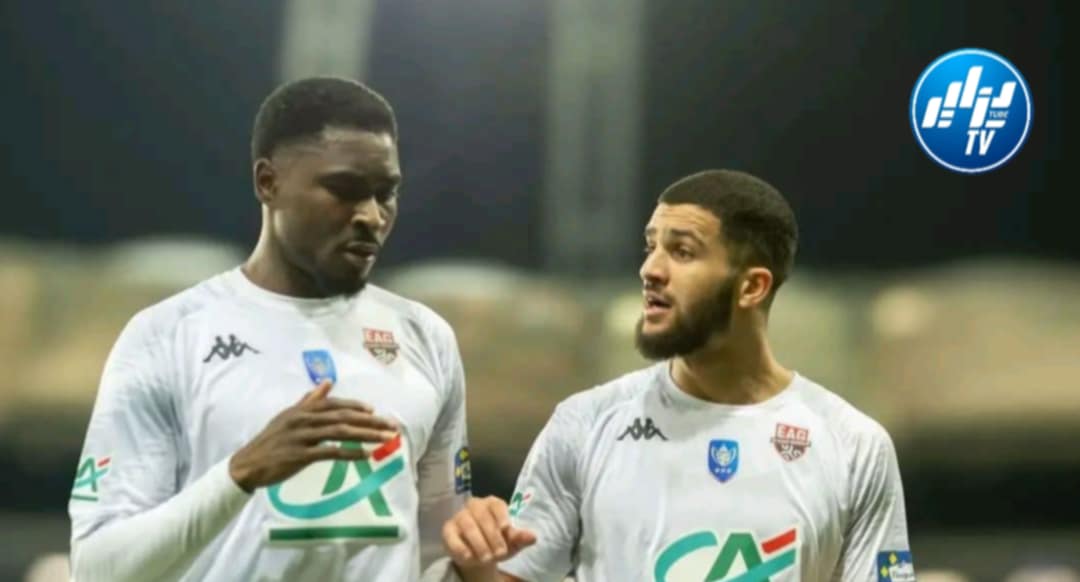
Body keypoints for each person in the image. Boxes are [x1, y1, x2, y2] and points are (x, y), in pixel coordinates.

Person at [69, 77, 471, 581]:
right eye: (344, 191)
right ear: (268, 182)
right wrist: (239, 474)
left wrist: (484, 556)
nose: (372, 216)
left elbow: (440, 551)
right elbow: (97, 568)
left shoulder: (426, 339)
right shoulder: (168, 336)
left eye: (386, 193)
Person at [442, 170, 915, 581]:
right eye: (651, 247)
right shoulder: (584, 424)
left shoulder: (854, 447)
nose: (650, 269)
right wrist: (475, 555)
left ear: (752, 287)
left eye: (682, 252)